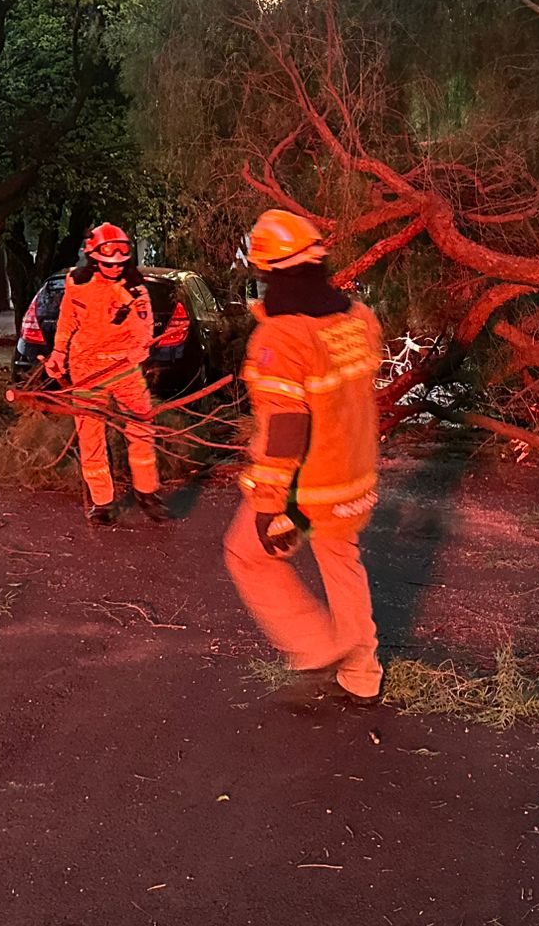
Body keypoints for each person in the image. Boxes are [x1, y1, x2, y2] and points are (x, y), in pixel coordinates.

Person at [224, 209, 385, 706]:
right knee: (341, 563)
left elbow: (285, 430)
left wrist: (270, 503)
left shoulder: (282, 337)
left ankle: (323, 646)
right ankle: (363, 676)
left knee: (246, 556)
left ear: (270, 270)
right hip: (354, 477)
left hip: (305, 486)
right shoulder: (359, 319)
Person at [43, 223, 169, 525]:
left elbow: (143, 330)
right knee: (91, 437)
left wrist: (138, 352)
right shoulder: (78, 283)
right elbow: (67, 320)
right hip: (86, 371)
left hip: (125, 372)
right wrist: (58, 354)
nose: (114, 268)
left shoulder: (136, 290)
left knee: (141, 430)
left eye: (120, 263)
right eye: (108, 263)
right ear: (94, 259)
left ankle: (146, 493)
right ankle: (102, 502)